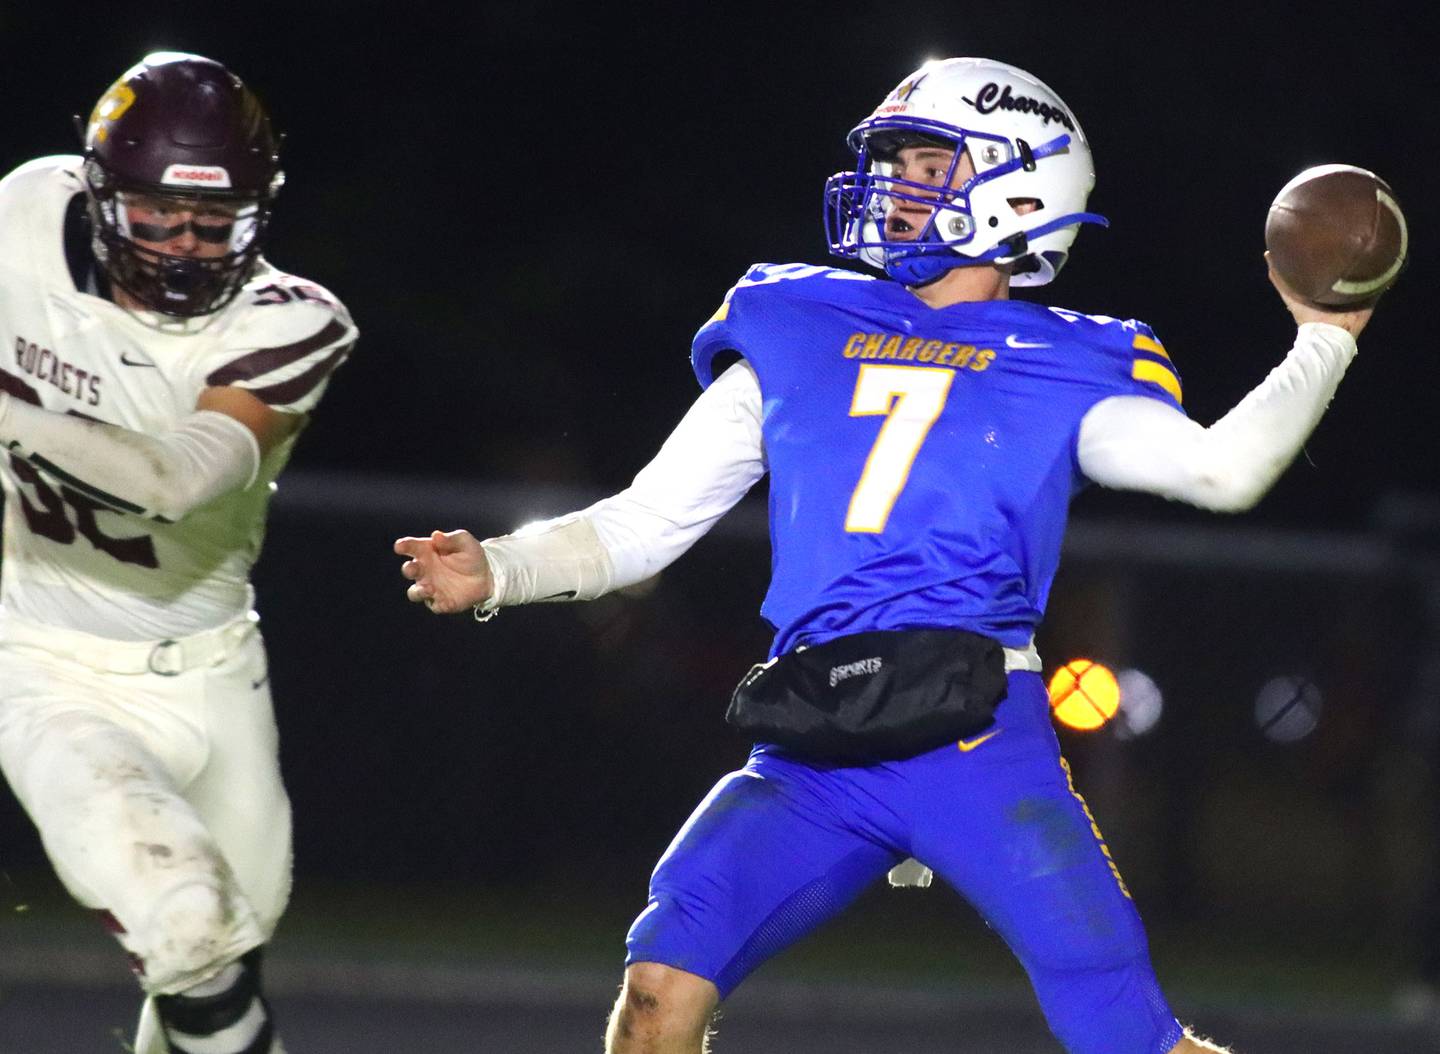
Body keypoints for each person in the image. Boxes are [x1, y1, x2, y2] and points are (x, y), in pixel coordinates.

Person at [395, 57, 1372, 1054]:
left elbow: (1224, 472)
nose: (893, 186)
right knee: (658, 992)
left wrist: (1324, 338)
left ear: (1017, 187)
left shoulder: (1067, 358)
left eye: (925, 163)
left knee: (1129, 1037)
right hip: (816, 741)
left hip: (976, 740)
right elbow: (645, 522)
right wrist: (502, 569)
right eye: (895, 163)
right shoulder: (800, 320)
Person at [0, 52, 355, 1054]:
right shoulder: (26, 213)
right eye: (158, 218)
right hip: (38, 654)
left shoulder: (297, 322)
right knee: (188, 928)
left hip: (210, 670)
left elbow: (174, 480)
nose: (185, 249)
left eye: (215, 222)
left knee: (213, 962)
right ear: (98, 195)